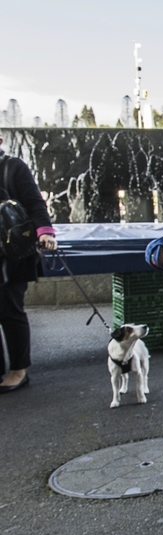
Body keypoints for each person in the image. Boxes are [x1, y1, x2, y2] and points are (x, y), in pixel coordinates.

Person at [0, 136, 57, 394]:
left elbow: (35, 202)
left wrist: (45, 232)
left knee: (10, 310)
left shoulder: (13, 167)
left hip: (13, 253)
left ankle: (18, 370)